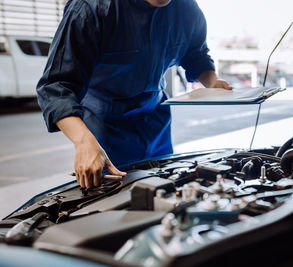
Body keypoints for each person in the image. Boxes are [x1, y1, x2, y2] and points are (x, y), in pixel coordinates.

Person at [36, 0, 232, 189]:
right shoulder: (89, 8)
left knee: (163, 193)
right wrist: (83, 141)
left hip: (156, 123)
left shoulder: (187, 9)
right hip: (104, 128)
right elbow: (57, 86)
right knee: (111, 205)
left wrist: (212, 81)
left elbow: (196, 54)